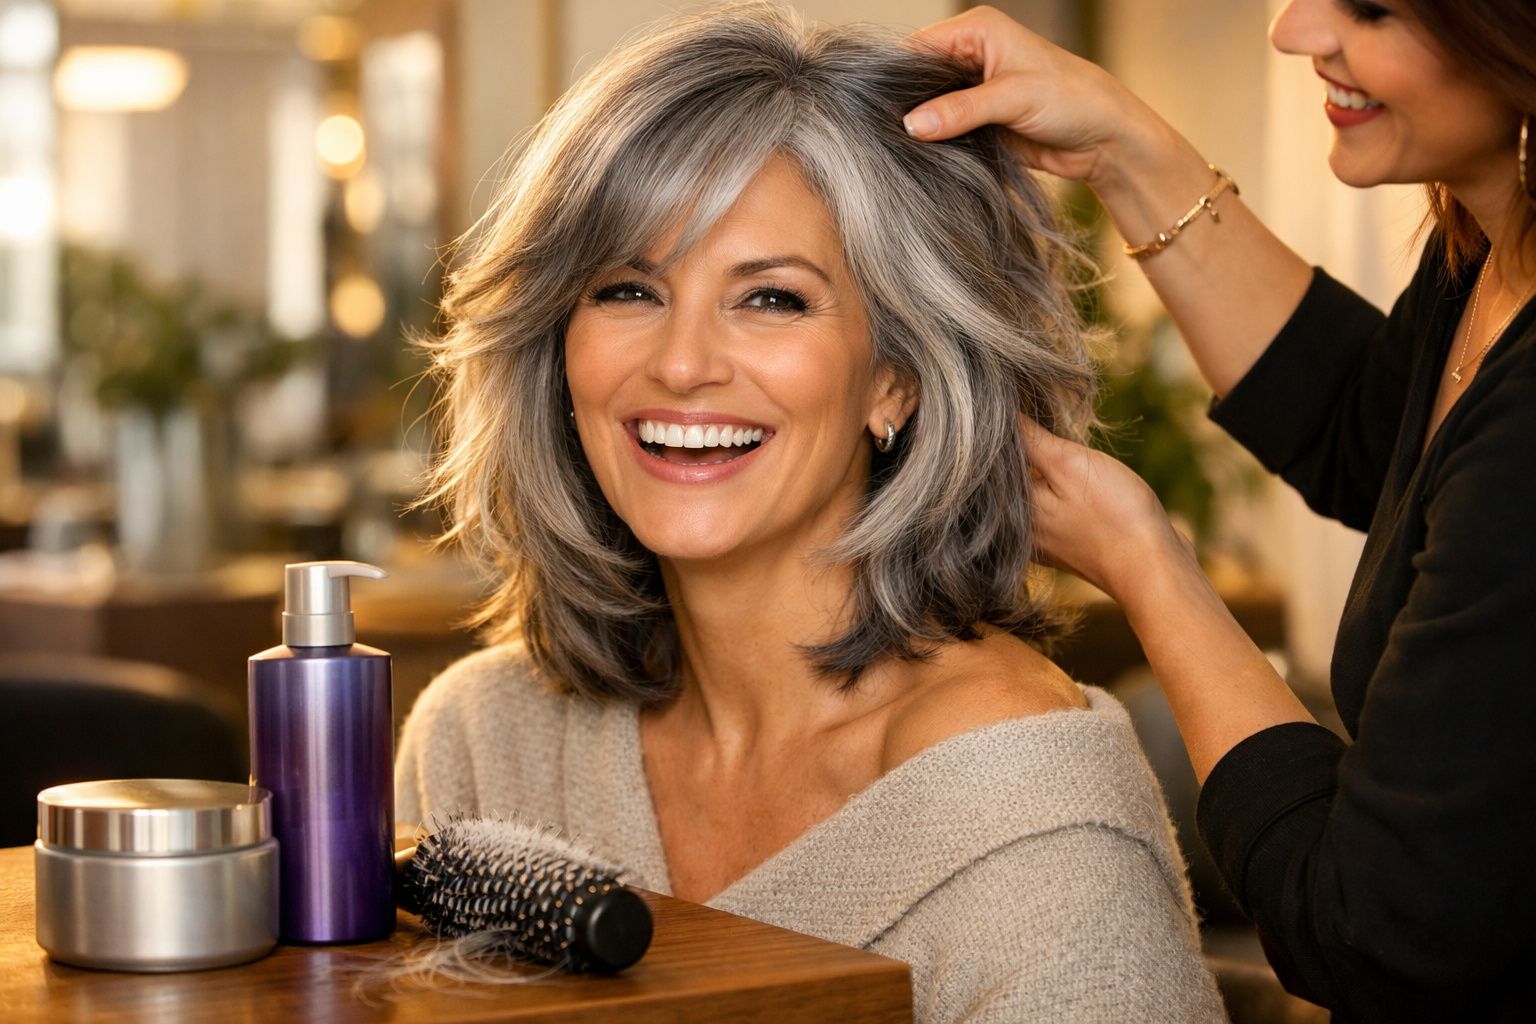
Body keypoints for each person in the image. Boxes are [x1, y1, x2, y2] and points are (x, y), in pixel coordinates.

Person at [396, 5, 1227, 1021]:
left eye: (773, 299)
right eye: (626, 289)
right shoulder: (485, 740)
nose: (683, 363)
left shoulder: (1020, 803)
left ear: (899, 379)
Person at [902, 1, 1536, 1019]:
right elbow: (1372, 438)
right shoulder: (1495, 260)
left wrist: (1148, 563)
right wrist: (1120, 144)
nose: (1294, 32)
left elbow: (1376, 927)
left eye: (1369, 8)